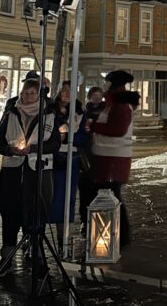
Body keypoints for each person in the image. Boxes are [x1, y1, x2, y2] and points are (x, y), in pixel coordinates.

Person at [0, 73, 60, 274]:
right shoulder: (12, 113)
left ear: (38, 95)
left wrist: (34, 148)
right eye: (25, 93)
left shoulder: (48, 114)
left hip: (38, 171)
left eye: (32, 93)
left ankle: (37, 255)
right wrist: (9, 149)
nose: (28, 96)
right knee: (10, 212)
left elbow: (55, 143)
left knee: (36, 213)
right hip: (12, 171)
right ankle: (7, 258)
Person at [90, 70, 140, 248]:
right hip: (107, 157)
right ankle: (113, 234)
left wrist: (93, 126)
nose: (104, 85)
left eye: (107, 82)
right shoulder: (114, 103)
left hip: (113, 159)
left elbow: (117, 130)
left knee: (113, 197)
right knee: (111, 197)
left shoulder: (121, 105)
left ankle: (120, 236)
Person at [48, 80, 84, 246]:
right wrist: (57, 137)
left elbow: (83, 136)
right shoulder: (51, 111)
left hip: (73, 158)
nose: (67, 94)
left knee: (69, 197)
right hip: (55, 158)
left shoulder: (79, 111)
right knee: (56, 196)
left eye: (70, 91)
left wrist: (72, 138)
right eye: (64, 91)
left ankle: (65, 235)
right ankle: (58, 230)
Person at [78, 85, 105, 223]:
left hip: (102, 149)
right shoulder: (85, 110)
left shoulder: (106, 110)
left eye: (99, 95)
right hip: (88, 150)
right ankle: (85, 217)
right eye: (95, 95)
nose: (97, 98)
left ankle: (98, 215)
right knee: (86, 184)